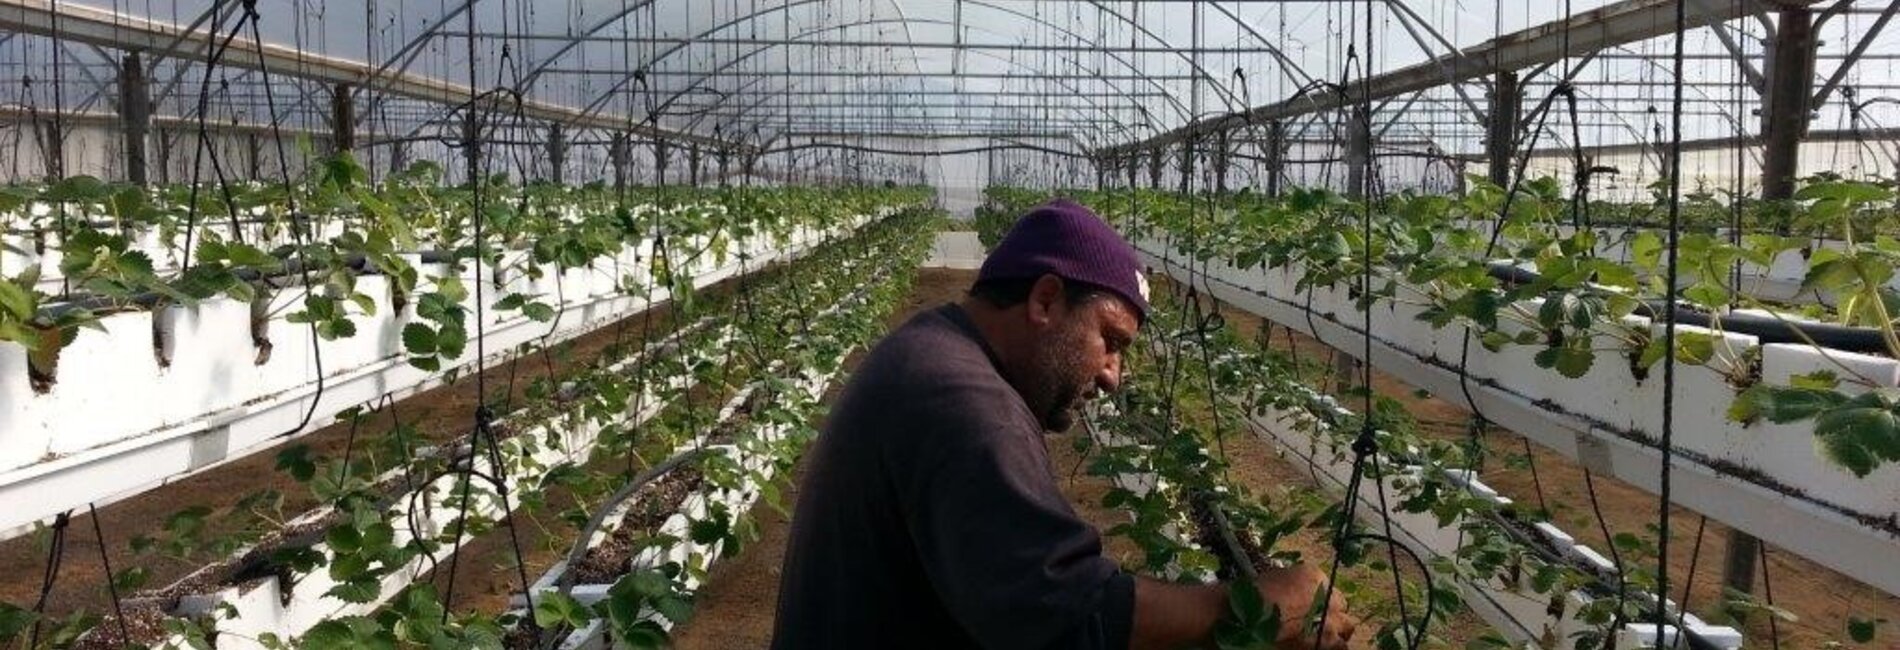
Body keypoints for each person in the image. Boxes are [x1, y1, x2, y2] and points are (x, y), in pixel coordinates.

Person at [771, 199, 1357, 650]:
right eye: (1110, 341)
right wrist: (1253, 605)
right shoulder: (964, 403)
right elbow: (1065, 618)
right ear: (1046, 301)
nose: (1112, 376)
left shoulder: (935, 352)